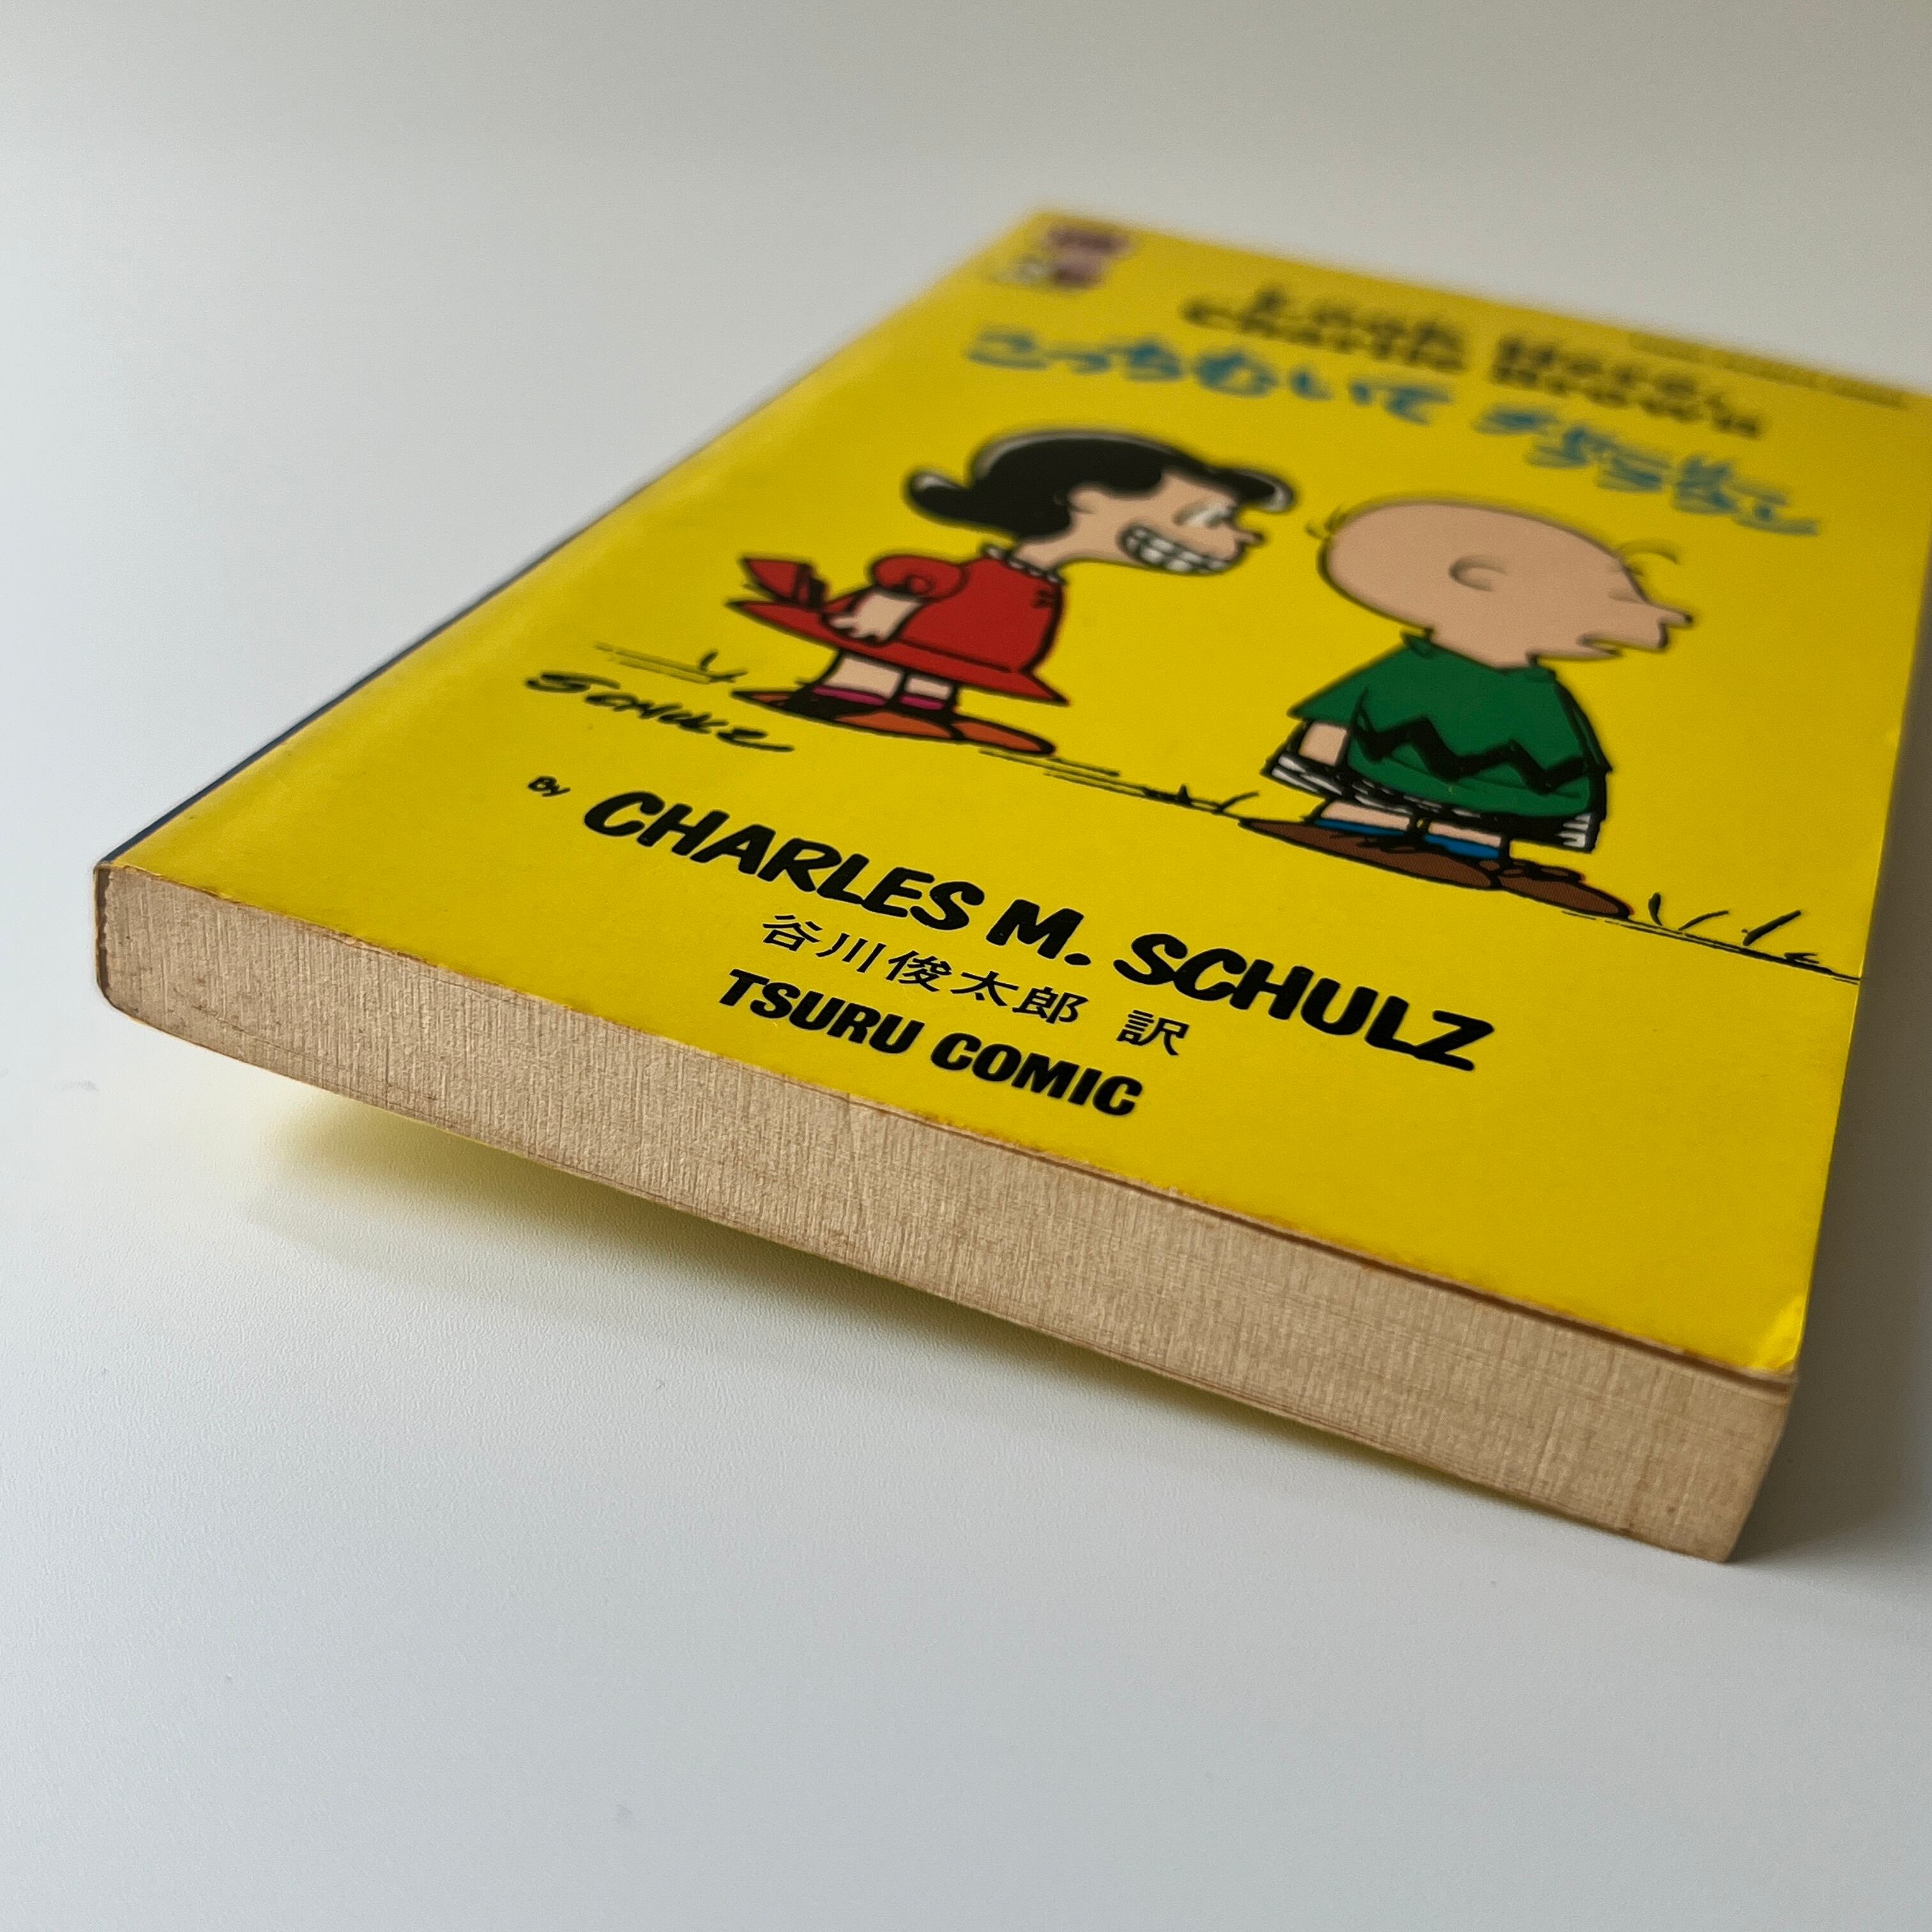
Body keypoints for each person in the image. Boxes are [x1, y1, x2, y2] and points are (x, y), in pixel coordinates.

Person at [1243, 498, 1689, 917]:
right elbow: (1345, 709)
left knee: (1480, 826)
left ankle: (1475, 857)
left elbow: (1570, 752)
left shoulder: (1537, 692)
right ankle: (1356, 832)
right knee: (1373, 808)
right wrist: (1320, 754)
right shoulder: (1412, 668)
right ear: (1482, 579)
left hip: (1499, 790)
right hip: (1387, 770)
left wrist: (1575, 790)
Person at [730, 429, 1292, 754]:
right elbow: (916, 573)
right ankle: (843, 698)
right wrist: (891, 601)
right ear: (1091, 499)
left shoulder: (1042, 584)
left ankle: (924, 710)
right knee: (883, 662)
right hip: (892, 633)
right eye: (1207, 517)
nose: (1242, 536)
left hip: (959, 650)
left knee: (936, 674)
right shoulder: (990, 575)